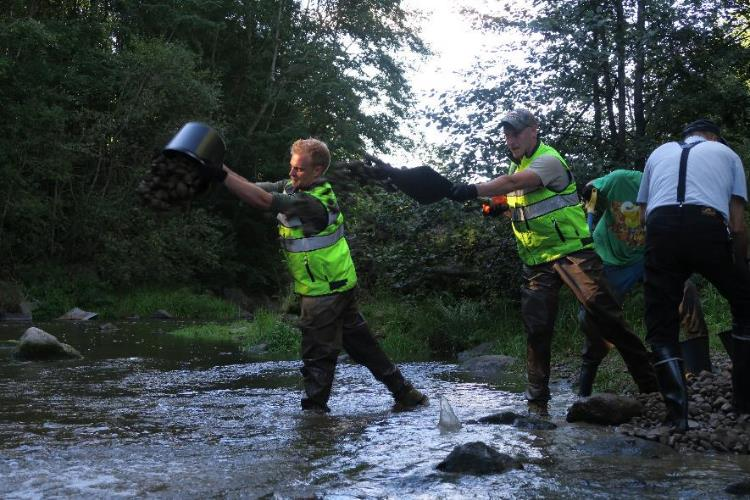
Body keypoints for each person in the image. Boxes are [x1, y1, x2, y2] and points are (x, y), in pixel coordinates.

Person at [447, 108, 658, 414]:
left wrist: (472, 190)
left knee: (607, 317)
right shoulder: (517, 164)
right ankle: (537, 405)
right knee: (537, 329)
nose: (511, 139)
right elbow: (518, 201)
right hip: (536, 261)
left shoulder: (548, 160)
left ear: (534, 129)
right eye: (507, 134)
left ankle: (651, 386)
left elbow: (511, 182)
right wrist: (497, 207)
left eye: (516, 132)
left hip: (574, 253)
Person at [199, 138, 428, 413]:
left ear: (317, 171)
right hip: (340, 284)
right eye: (291, 167)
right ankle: (406, 393)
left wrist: (221, 174)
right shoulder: (294, 187)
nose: (292, 173)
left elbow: (262, 200)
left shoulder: (312, 202)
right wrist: (218, 168)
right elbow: (253, 188)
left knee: (317, 356)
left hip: (324, 292)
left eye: (299, 169)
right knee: (362, 345)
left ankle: (313, 420)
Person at [637, 118, 750, 431]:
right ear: (714, 138)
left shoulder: (658, 153)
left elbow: (644, 215)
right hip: (707, 223)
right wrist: (740, 268)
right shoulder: (727, 156)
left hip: (660, 228)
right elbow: (738, 225)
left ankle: (678, 416)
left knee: (660, 325)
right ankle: (744, 402)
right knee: (745, 306)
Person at [576, 170, 708, 397]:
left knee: (687, 291)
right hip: (608, 261)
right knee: (595, 320)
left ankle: (701, 371)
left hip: (646, 256)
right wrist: (589, 192)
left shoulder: (676, 197)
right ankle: (585, 390)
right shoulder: (622, 180)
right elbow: (592, 186)